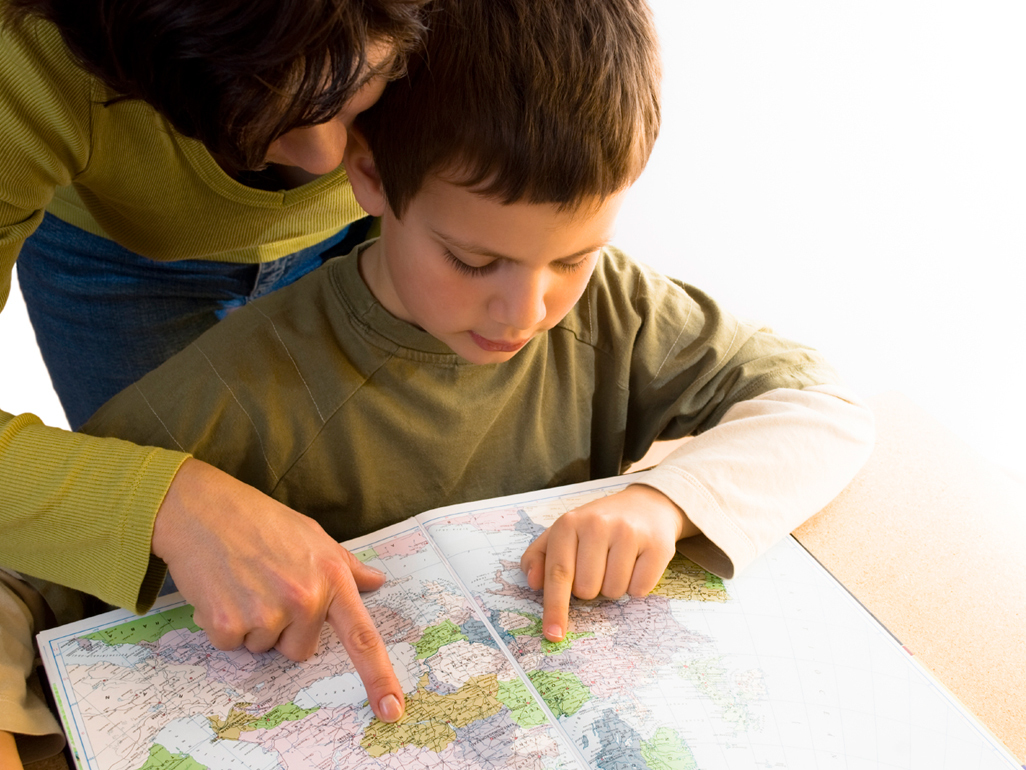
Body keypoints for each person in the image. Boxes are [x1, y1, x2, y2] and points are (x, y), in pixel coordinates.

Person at [63, 0, 875, 746]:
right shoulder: (240, 388)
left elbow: (822, 409)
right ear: (369, 177)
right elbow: (30, 578)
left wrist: (663, 502)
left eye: (572, 257)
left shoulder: (617, 309)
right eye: (473, 260)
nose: (524, 311)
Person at [0, 0, 433, 764]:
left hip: (377, 226)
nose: (323, 157)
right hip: (113, 252)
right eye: (254, 108)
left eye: (367, 80)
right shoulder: (18, 58)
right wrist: (165, 502)